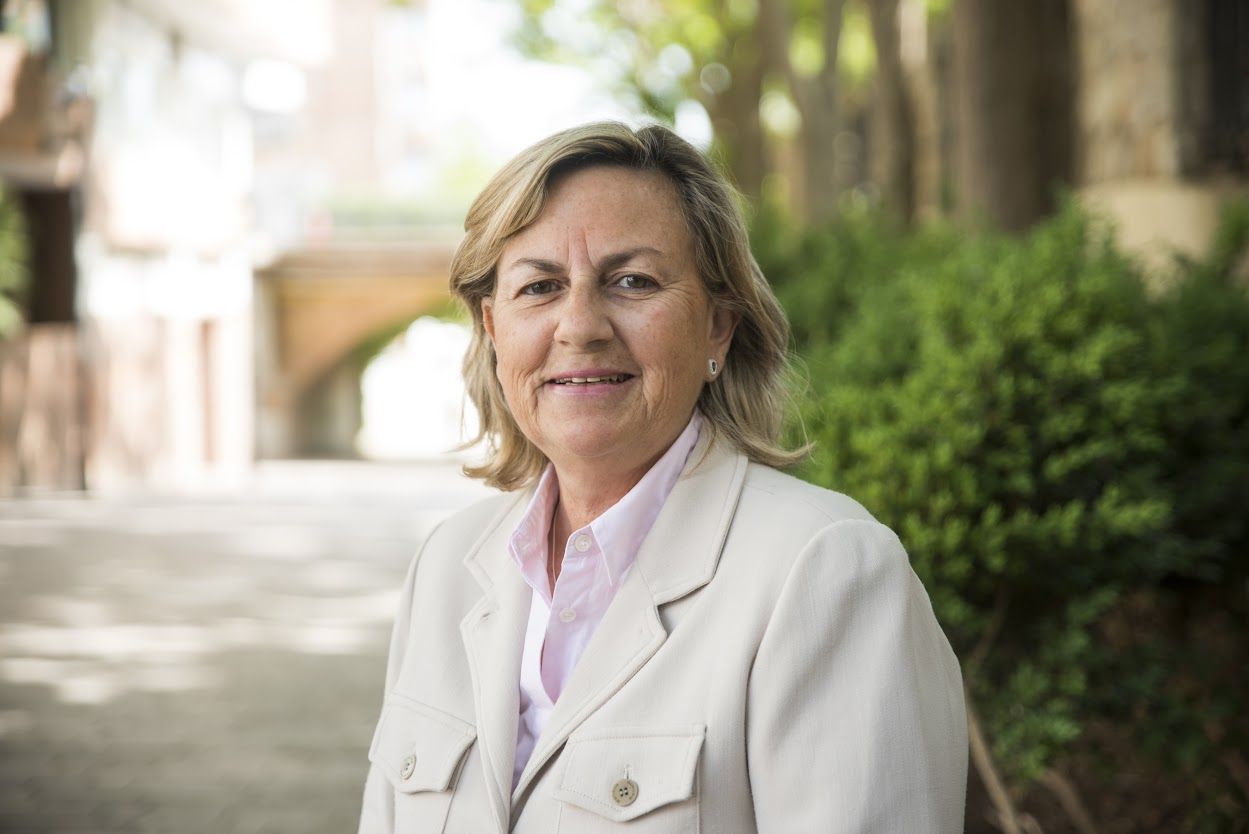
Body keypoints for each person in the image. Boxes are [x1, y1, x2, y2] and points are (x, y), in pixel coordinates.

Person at [357, 122, 967, 833]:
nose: (579, 325)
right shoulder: (446, 567)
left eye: (632, 281)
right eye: (540, 287)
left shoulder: (825, 571)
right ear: (494, 330)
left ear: (718, 326)